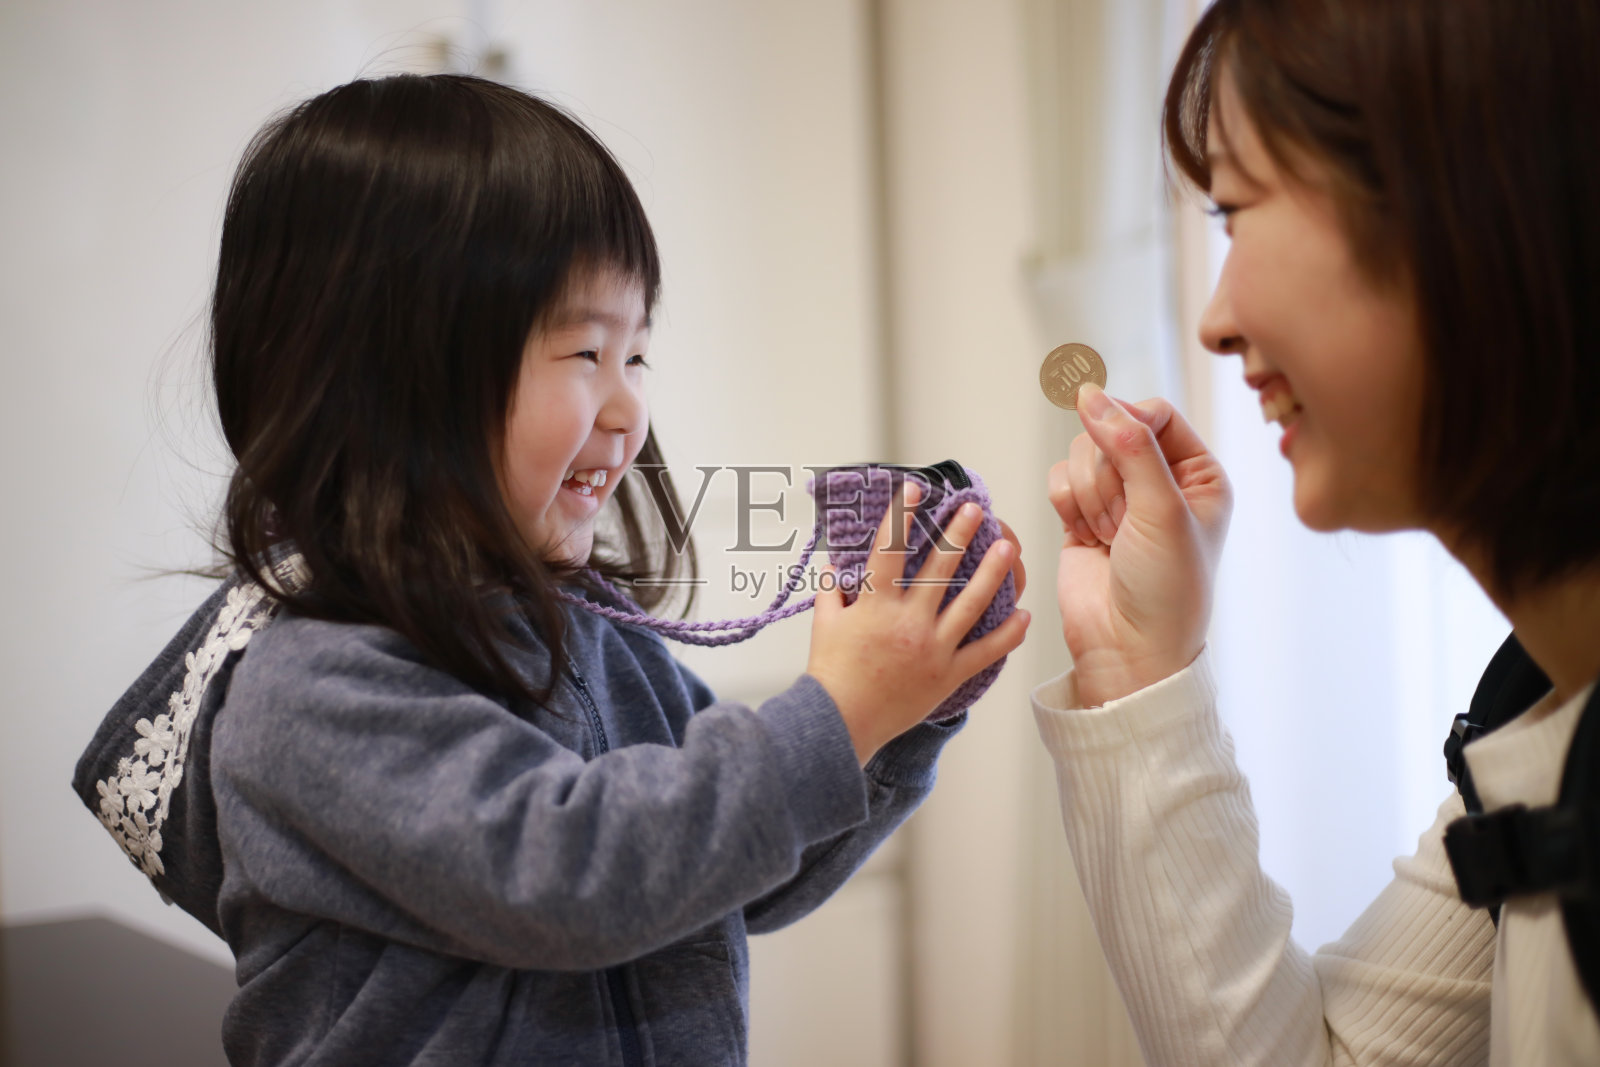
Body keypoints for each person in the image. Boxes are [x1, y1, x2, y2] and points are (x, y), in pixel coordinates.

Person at [73, 73, 1029, 1065]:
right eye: (585, 349)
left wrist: (906, 715)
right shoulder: (313, 690)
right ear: (387, 381)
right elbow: (580, 875)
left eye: (638, 354)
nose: (626, 408)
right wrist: (842, 710)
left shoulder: (601, 640)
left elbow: (743, 867)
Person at [1034, 0, 1600, 1063]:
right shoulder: (1534, 711)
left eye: (1235, 216)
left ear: (1465, 200)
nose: (1214, 319)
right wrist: (1135, 663)